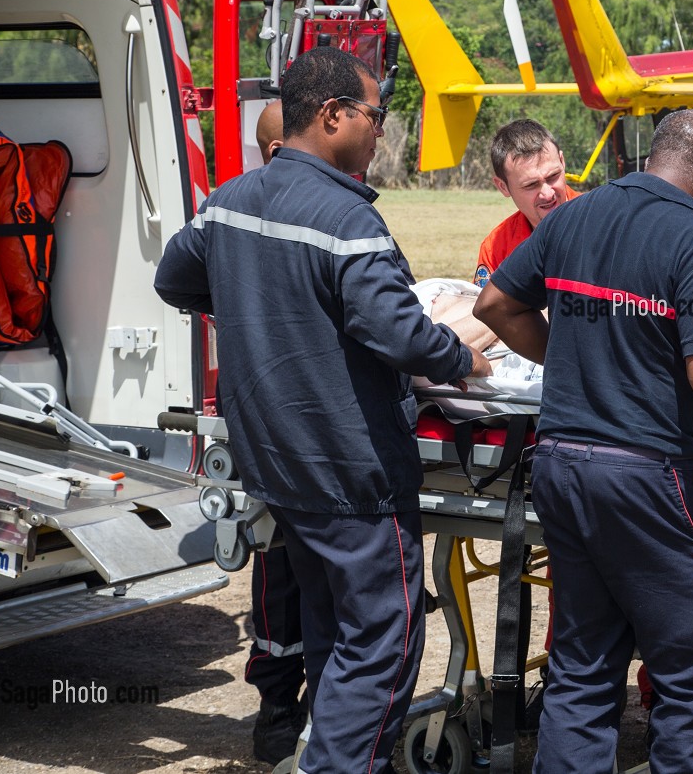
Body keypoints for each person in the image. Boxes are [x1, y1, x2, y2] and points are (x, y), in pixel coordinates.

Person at [155, 46, 491, 774]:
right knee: (384, 643)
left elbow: (174, 277)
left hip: (279, 467)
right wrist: (464, 357)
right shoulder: (346, 219)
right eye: (375, 116)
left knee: (334, 632)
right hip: (355, 475)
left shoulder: (228, 201)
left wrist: (254, 307)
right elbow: (401, 333)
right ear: (333, 115)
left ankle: (316, 752)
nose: (380, 131)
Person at [474, 108, 693, 774]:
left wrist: (568, 356)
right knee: (689, 669)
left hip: (562, 467)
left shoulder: (573, 214)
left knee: (583, 664)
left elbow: (494, 306)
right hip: (646, 477)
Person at [241, 99, 307, 765]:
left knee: (282, 573)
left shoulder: (233, 212)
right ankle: (280, 716)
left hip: (273, 428)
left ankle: (282, 716)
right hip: (293, 436)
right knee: (283, 579)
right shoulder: (320, 211)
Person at [475, 118, 579, 287]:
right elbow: (488, 311)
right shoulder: (496, 248)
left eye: (553, 176)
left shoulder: (605, 222)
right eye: (531, 185)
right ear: (503, 187)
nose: (547, 194)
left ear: (562, 161)